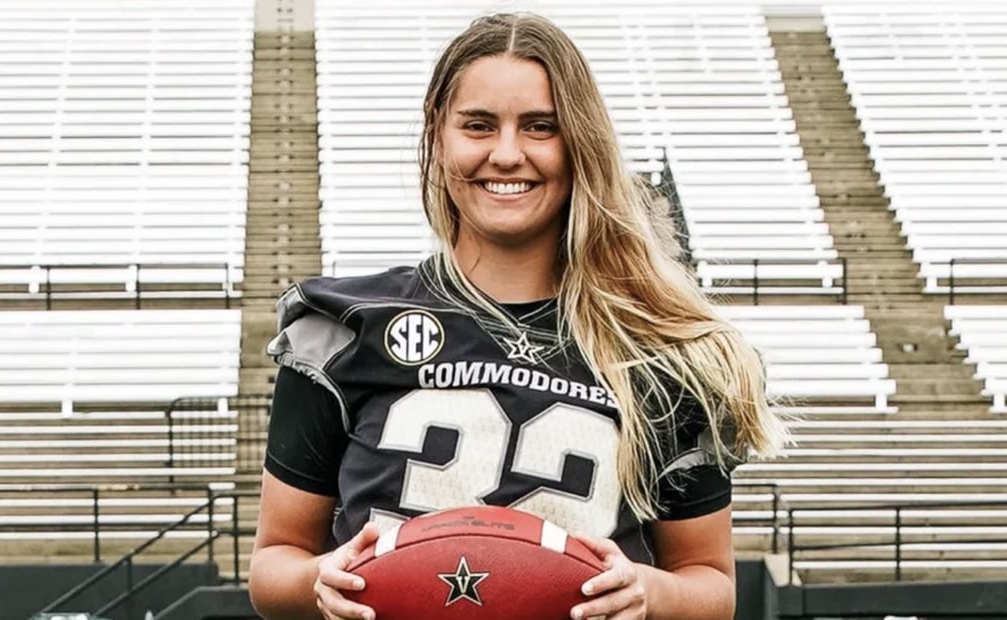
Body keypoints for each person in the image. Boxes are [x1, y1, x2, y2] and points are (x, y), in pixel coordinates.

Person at [249, 12, 788, 620]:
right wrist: (321, 577)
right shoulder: (345, 329)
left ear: (579, 141)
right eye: (478, 126)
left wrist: (649, 591)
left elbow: (711, 584)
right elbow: (275, 564)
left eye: (540, 127)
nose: (507, 154)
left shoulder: (662, 352)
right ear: (437, 134)